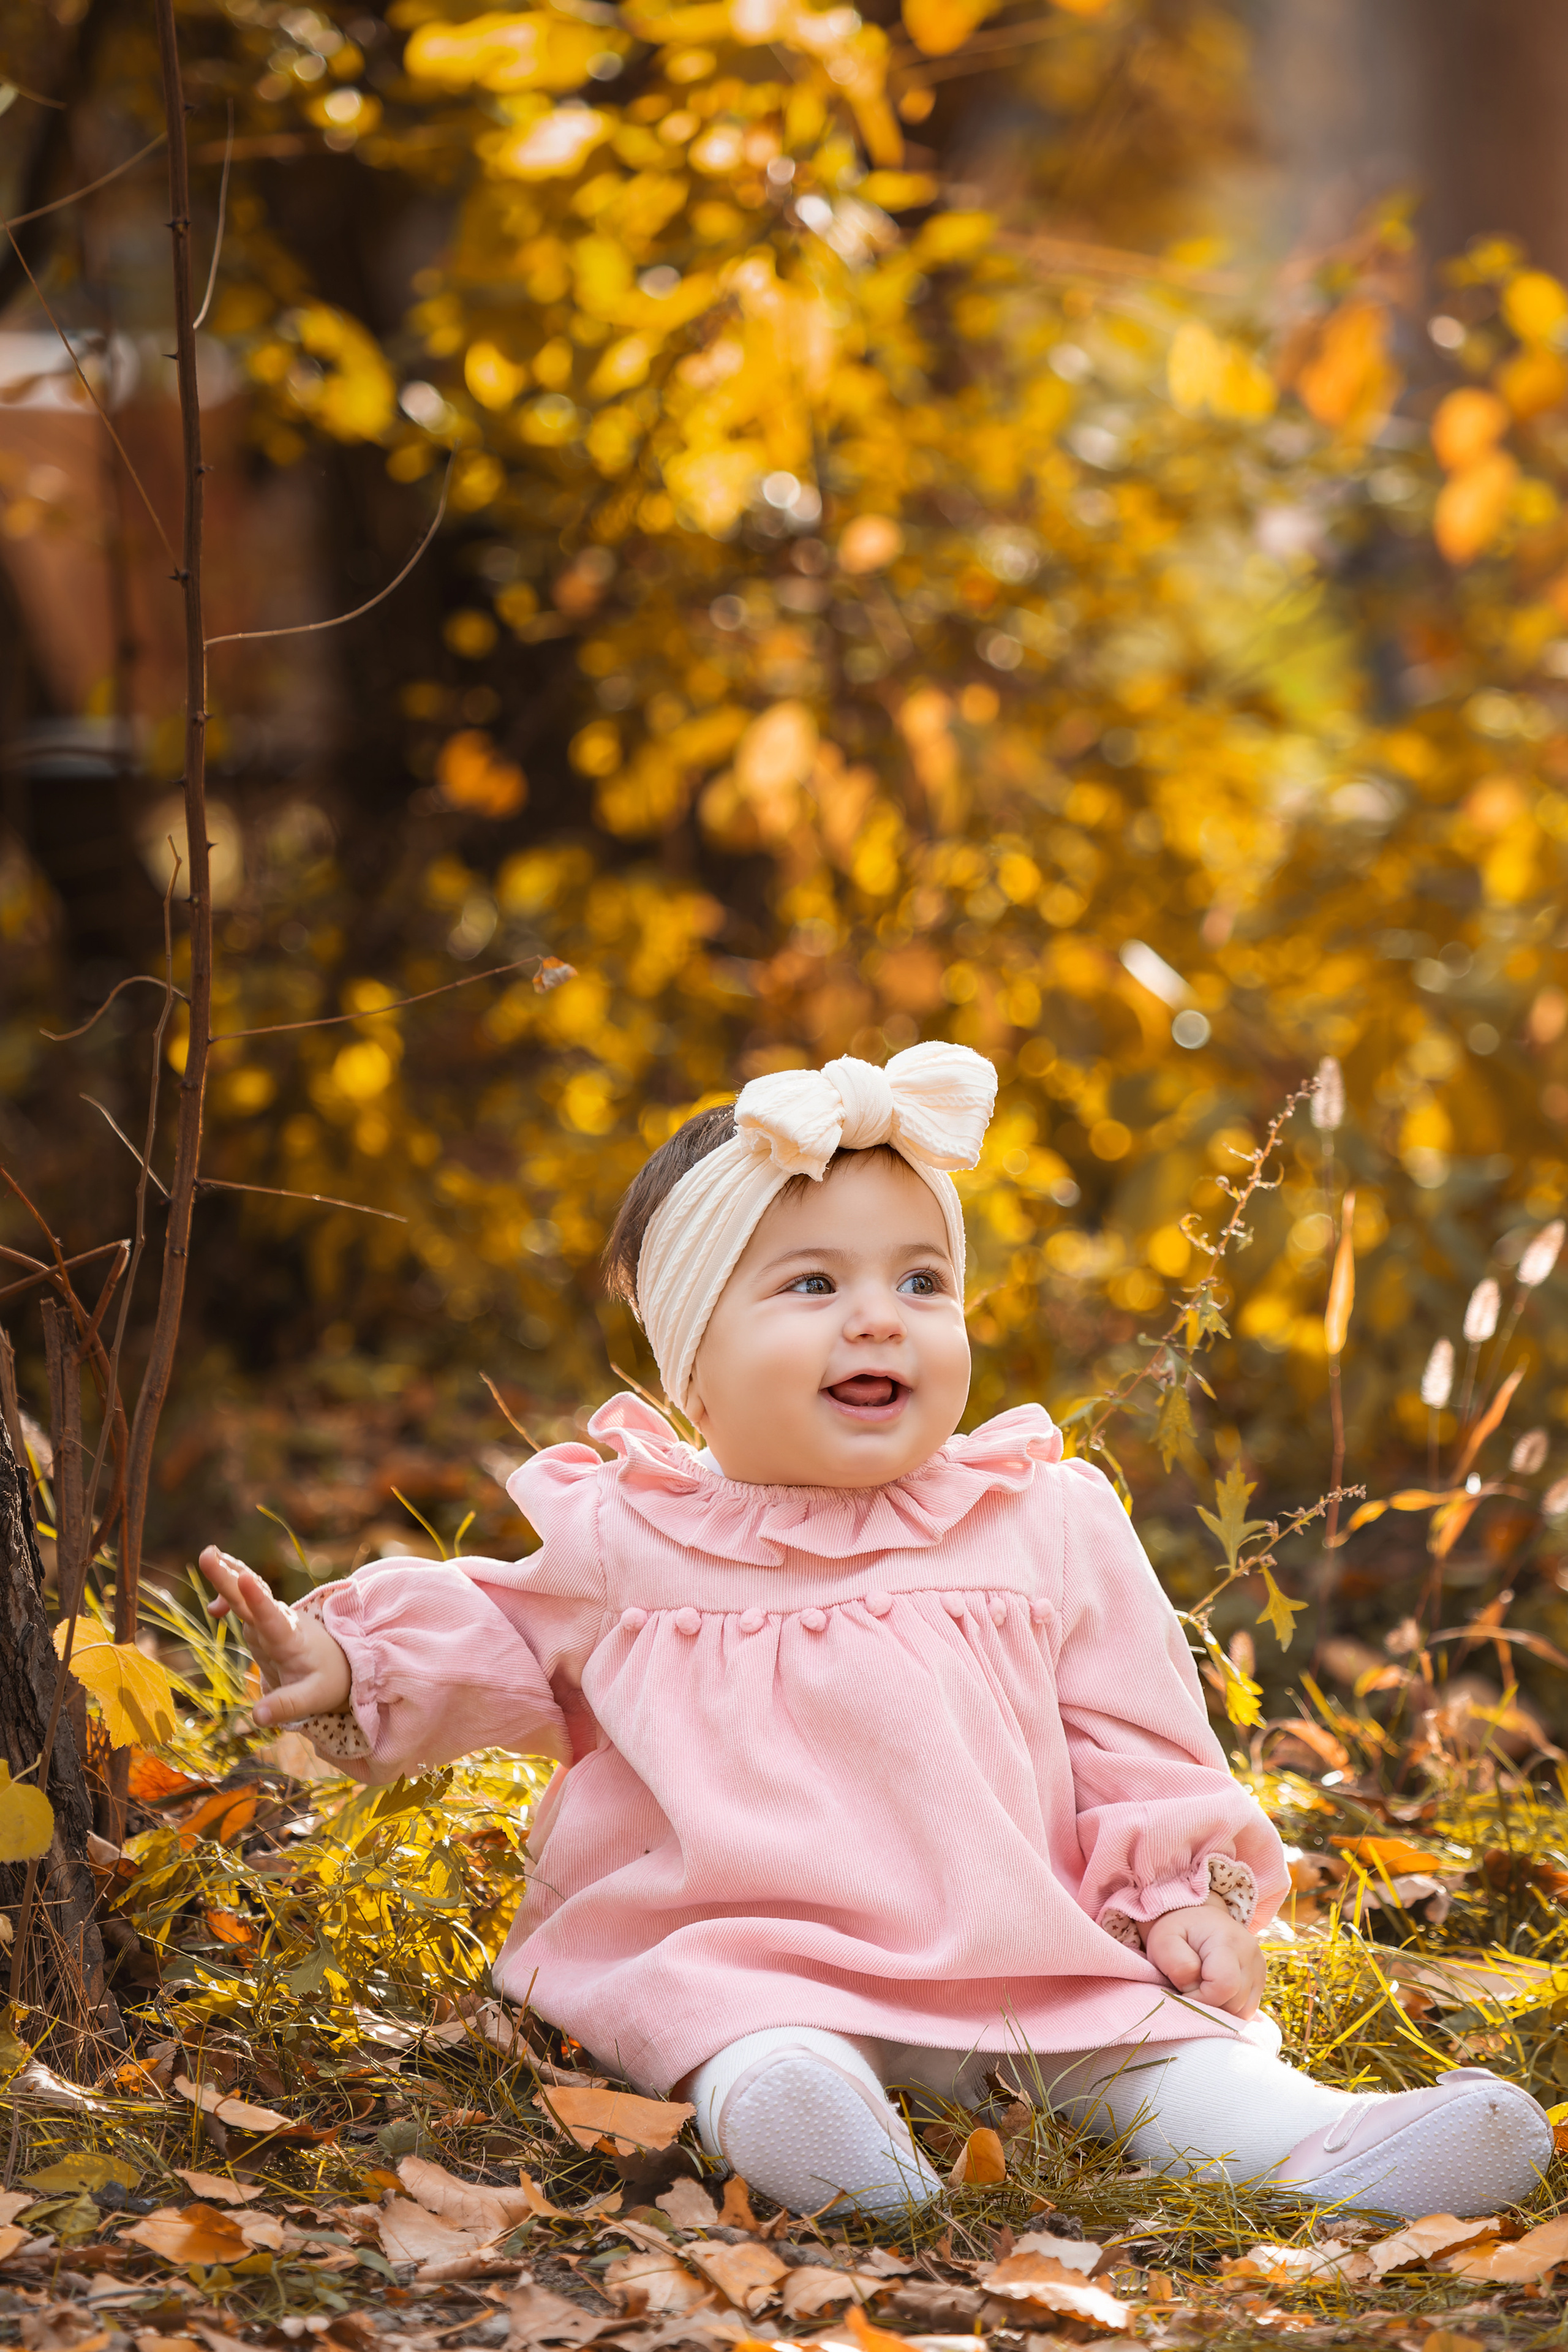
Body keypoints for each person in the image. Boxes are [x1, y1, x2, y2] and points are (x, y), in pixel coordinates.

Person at [198, 1044, 1550, 2222]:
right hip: (743, 1947)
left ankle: (1322, 2144)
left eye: (920, 1280)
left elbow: (1142, 1742)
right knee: (751, 2038)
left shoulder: (1045, 1519)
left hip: (1031, 1950)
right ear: (694, 1358)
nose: (876, 1317)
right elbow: (491, 1633)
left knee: (1169, 2049)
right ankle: (809, 2129)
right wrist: (350, 1664)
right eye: (808, 1286)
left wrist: (1184, 1899)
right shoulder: (630, 1535)